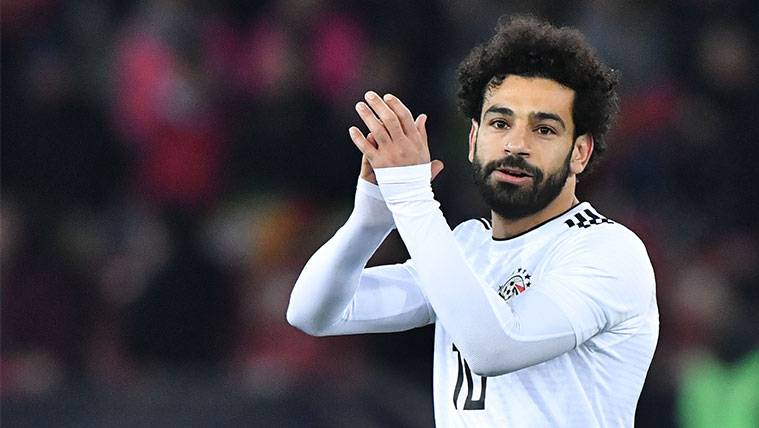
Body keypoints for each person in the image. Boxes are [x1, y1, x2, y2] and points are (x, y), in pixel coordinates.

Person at [287, 15, 659, 427]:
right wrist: (371, 219)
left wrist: (412, 198)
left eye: (545, 129)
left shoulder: (609, 251)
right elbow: (312, 312)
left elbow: (495, 348)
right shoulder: (468, 248)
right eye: (500, 123)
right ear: (473, 139)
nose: (517, 144)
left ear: (580, 153)